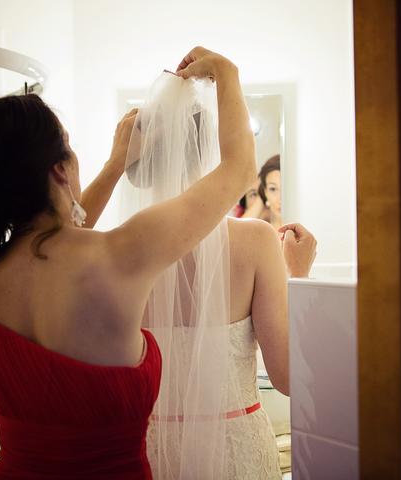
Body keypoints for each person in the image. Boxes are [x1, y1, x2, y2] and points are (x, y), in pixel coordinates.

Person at [0, 46, 256, 479]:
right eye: (69, 148)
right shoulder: (120, 255)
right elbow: (239, 169)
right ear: (59, 169)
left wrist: (114, 164)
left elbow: (51, 240)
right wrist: (225, 70)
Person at [121, 66, 317, 479]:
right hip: (236, 450)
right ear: (209, 150)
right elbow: (288, 379)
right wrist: (297, 275)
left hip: (150, 451)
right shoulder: (256, 240)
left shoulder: (119, 248)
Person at [258, 155, 282, 229]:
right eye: (273, 189)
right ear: (265, 192)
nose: (280, 199)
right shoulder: (258, 232)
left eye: (285, 189)